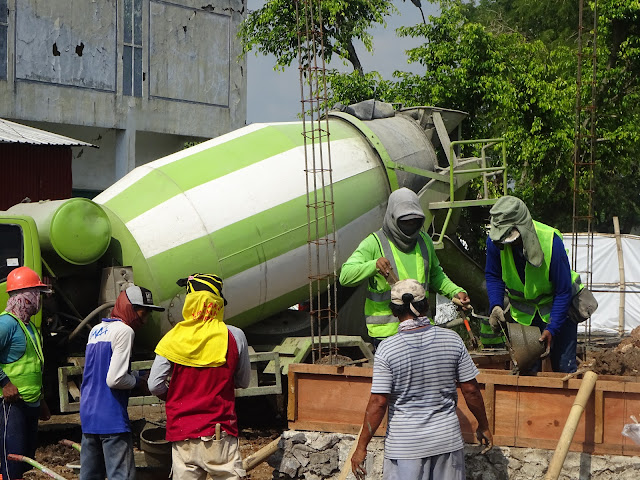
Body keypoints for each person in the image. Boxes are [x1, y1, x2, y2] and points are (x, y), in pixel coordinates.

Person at [351, 279, 492, 480]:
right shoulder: (452, 340)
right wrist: (483, 425)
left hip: (406, 448)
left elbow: (379, 402)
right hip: (447, 444)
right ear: (426, 305)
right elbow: (471, 390)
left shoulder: (387, 349)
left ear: (393, 311)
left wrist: (361, 448)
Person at [148, 273, 251, 480]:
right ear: (218, 303)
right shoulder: (234, 336)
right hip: (219, 434)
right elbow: (243, 382)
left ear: (189, 302)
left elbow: (154, 385)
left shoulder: (172, 339)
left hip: (182, 433)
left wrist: (176, 397)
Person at [340, 187, 470, 346]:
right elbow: (345, 276)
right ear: (392, 217)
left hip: (422, 329)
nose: (410, 225)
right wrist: (373, 265)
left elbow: (435, 275)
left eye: (414, 221)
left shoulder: (424, 241)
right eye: (405, 221)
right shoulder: (374, 243)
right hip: (387, 335)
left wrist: (455, 292)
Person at [485, 195, 583, 373]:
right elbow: (493, 276)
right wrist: (496, 305)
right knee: (527, 370)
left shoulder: (551, 241)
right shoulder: (495, 243)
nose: (509, 243)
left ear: (522, 228)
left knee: (563, 367)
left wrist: (552, 328)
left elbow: (563, 291)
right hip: (526, 316)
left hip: (560, 309)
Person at [79, 284, 165, 480]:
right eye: (143, 313)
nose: (145, 320)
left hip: (89, 416)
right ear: (130, 308)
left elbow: (102, 372)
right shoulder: (125, 331)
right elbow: (115, 379)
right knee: (121, 476)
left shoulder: (97, 330)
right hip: (112, 419)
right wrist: (137, 381)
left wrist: (135, 373)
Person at [0, 267, 52, 480]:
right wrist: (4, 382)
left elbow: (33, 366)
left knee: (24, 460)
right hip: (10, 405)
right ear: (22, 296)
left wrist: (41, 400)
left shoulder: (28, 326)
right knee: (10, 462)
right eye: (35, 293)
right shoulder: (7, 323)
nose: (38, 299)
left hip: (29, 404)